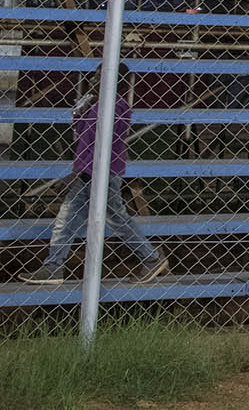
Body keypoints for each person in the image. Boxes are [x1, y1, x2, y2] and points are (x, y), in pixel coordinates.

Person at [21, 81, 169, 285]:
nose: (95, 80)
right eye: (97, 74)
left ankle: (150, 257)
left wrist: (76, 174)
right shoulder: (96, 104)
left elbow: (101, 144)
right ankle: (53, 266)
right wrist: (79, 115)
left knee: (116, 217)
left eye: (103, 75)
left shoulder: (114, 107)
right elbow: (84, 139)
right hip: (87, 172)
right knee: (68, 218)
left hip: (103, 173)